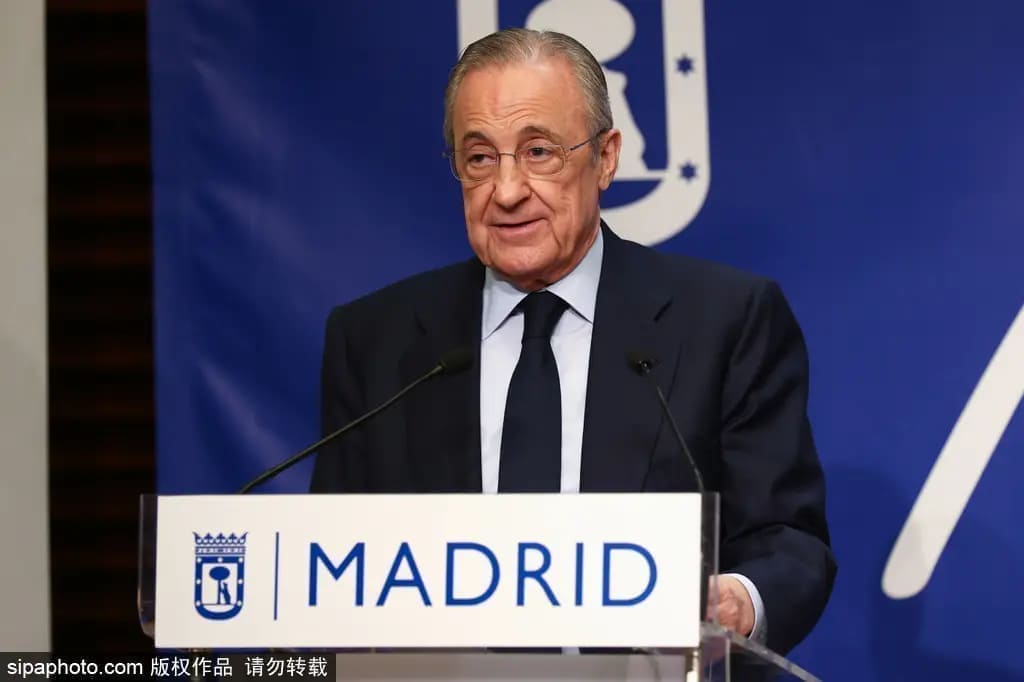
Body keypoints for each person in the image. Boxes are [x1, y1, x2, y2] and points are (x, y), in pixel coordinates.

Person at [310, 28, 836, 656]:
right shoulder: (376, 340)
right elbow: (329, 563)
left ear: (606, 157)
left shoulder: (724, 321)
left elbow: (788, 540)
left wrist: (738, 601)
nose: (507, 191)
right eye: (479, 158)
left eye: (539, 152)